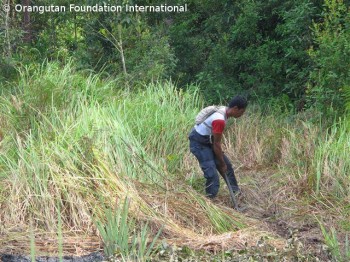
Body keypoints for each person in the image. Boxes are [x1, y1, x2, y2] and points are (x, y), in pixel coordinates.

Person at [188, 95, 247, 198]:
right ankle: (210, 201)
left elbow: (215, 142)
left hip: (208, 141)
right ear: (235, 108)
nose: (242, 114)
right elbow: (217, 144)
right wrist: (221, 163)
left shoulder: (225, 111)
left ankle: (236, 194)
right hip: (199, 143)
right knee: (212, 175)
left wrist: (223, 163)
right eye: (242, 112)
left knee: (227, 167)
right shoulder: (219, 119)